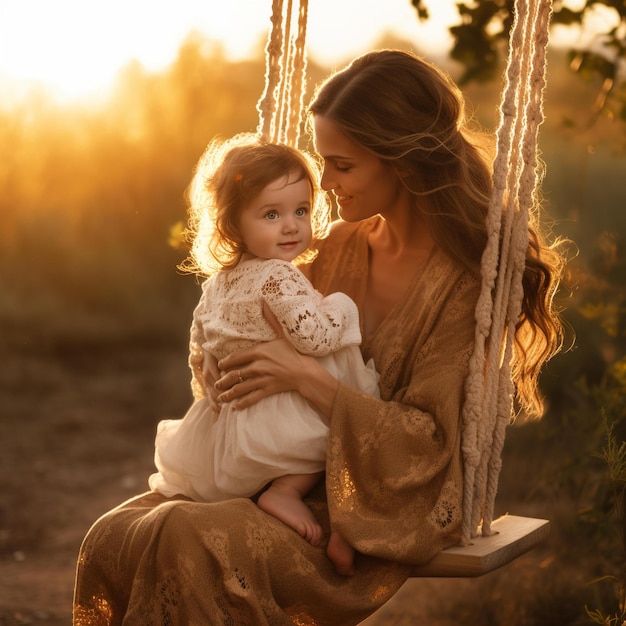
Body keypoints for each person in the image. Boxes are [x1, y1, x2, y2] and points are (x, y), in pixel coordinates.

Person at [73, 49, 565, 625]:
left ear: (401, 163)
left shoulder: (467, 285)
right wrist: (218, 366)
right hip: (288, 478)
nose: (325, 183)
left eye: (341, 165)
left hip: (383, 503)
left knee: (186, 536)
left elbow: (430, 443)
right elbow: (260, 325)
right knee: (113, 534)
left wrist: (305, 379)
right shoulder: (337, 248)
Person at [147, 134, 379, 576]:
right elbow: (312, 338)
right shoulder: (278, 278)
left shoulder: (219, 282)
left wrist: (208, 383)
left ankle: (281, 491)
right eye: (271, 215)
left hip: (236, 424)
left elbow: (199, 343)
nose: (291, 225)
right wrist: (342, 307)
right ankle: (288, 492)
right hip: (282, 417)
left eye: (301, 211)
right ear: (234, 226)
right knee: (343, 421)